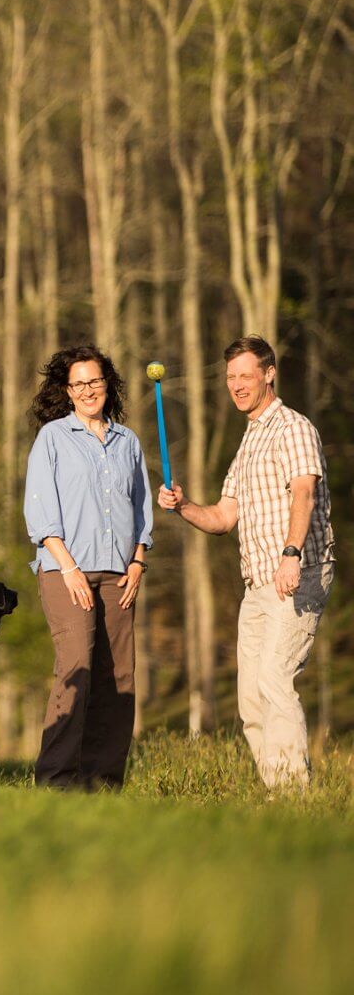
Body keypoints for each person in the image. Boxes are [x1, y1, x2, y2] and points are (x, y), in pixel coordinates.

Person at [159, 335, 335, 790]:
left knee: (276, 681)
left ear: (268, 374)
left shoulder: (293, 428)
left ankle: (296, 798)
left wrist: (291, 554)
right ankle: (276, 791)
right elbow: (222, 518)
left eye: (246, 375)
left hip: (298, 571)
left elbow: (304, 493)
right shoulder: (249, 443)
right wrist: (183, 505)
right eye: (231, 376)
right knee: (251, 699)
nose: (237, 384)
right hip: (257, 583)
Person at [24, 344, 153, 790]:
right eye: (78, 384)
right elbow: (40, 513)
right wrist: (69, 568)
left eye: (94, 381)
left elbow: (141, 509)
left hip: (120, 575)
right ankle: (56, 780)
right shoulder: (53, 438)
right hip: (66, 572)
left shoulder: (127, 442)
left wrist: (138, 561)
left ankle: (102, 782)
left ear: (107, 384)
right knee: (77, 666)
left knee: (118, 677)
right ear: (67, 390)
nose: (87, 390)